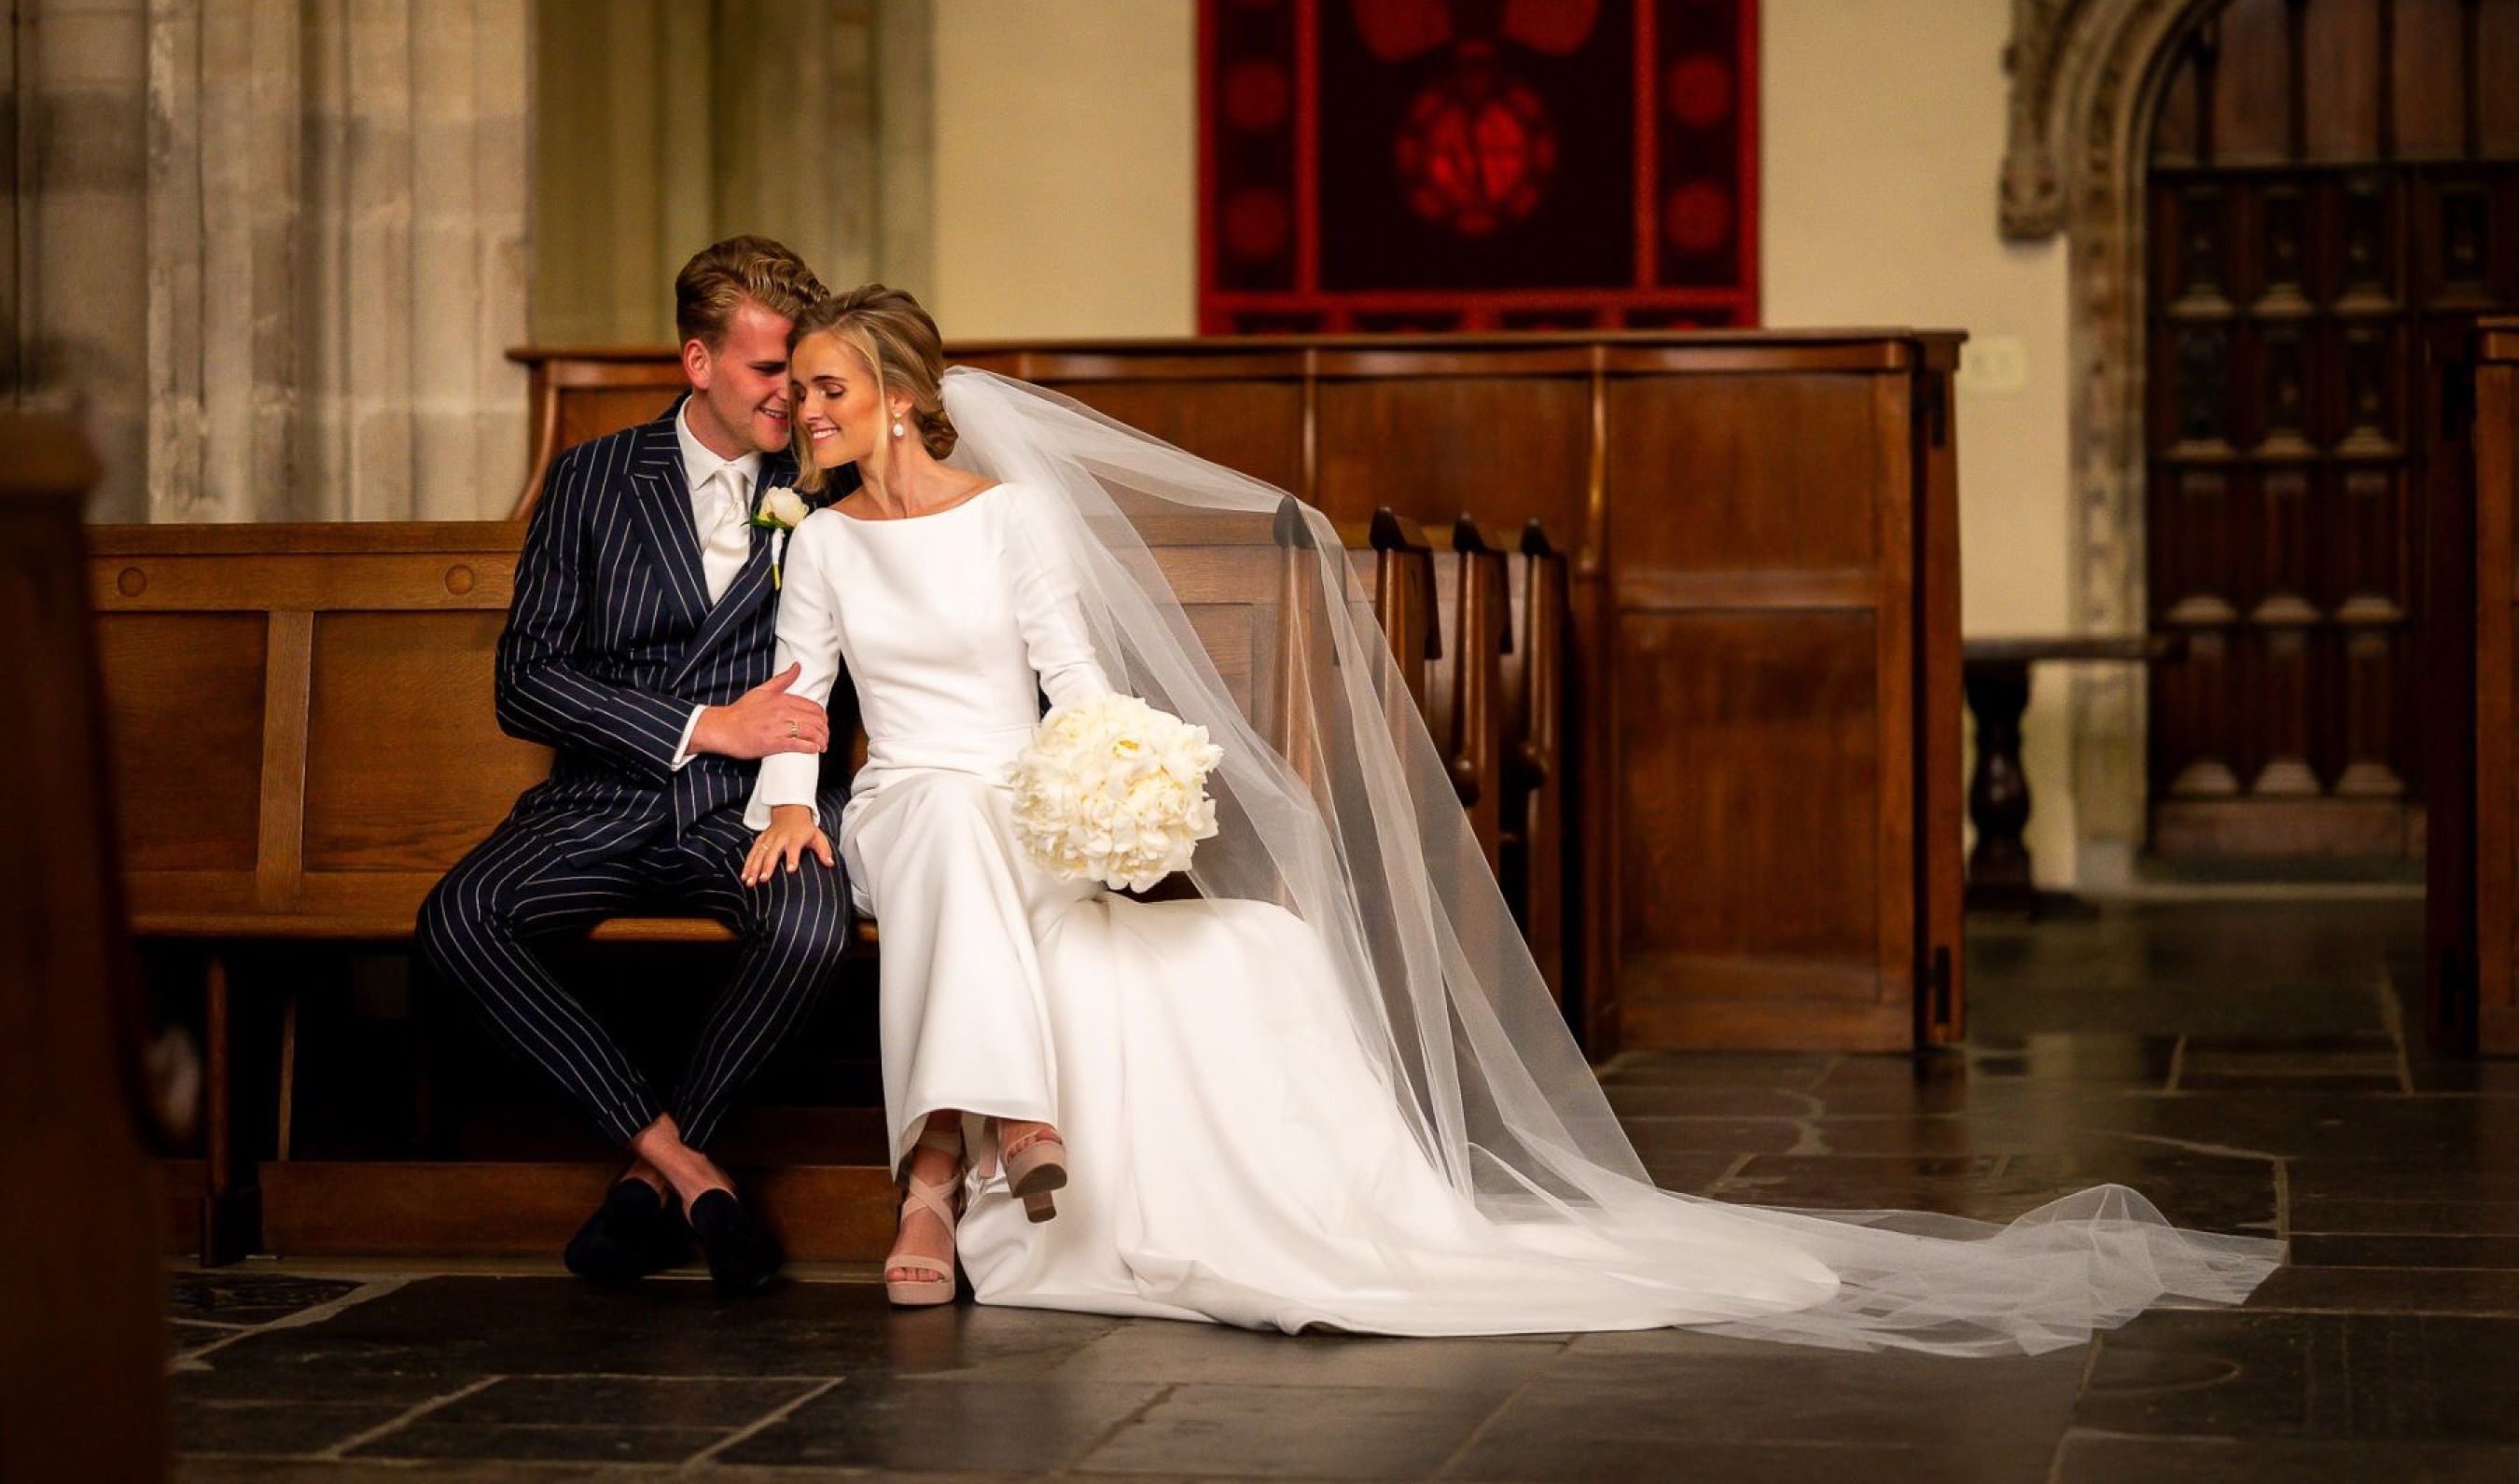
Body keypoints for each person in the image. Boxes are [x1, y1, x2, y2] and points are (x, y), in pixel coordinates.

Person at [742, 283, 2285, 1348]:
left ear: (897, 399)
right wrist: (787, 805)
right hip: (898, 798)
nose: (797, 410)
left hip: (1017, 796)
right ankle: (981, 1150)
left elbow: (1074, 679)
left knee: (994, 833)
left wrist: (1100, 798)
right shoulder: (816, 544)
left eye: (823, 388)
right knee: (937, 827)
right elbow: (801, 690)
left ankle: (944, 1165)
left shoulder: (1010, 521)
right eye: (793, 388)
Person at [417, 237, 855, 1294]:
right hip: (604, 797)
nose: (789, 397)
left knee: (812, 928)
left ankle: (646, 1189)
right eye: (765, 373)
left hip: (751, 811)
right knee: (458, 921)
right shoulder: (592, 478)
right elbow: (525, 680)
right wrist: (706, 724)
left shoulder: (831, 490)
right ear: (697, 364)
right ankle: (683, 1164)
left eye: (798, 375)